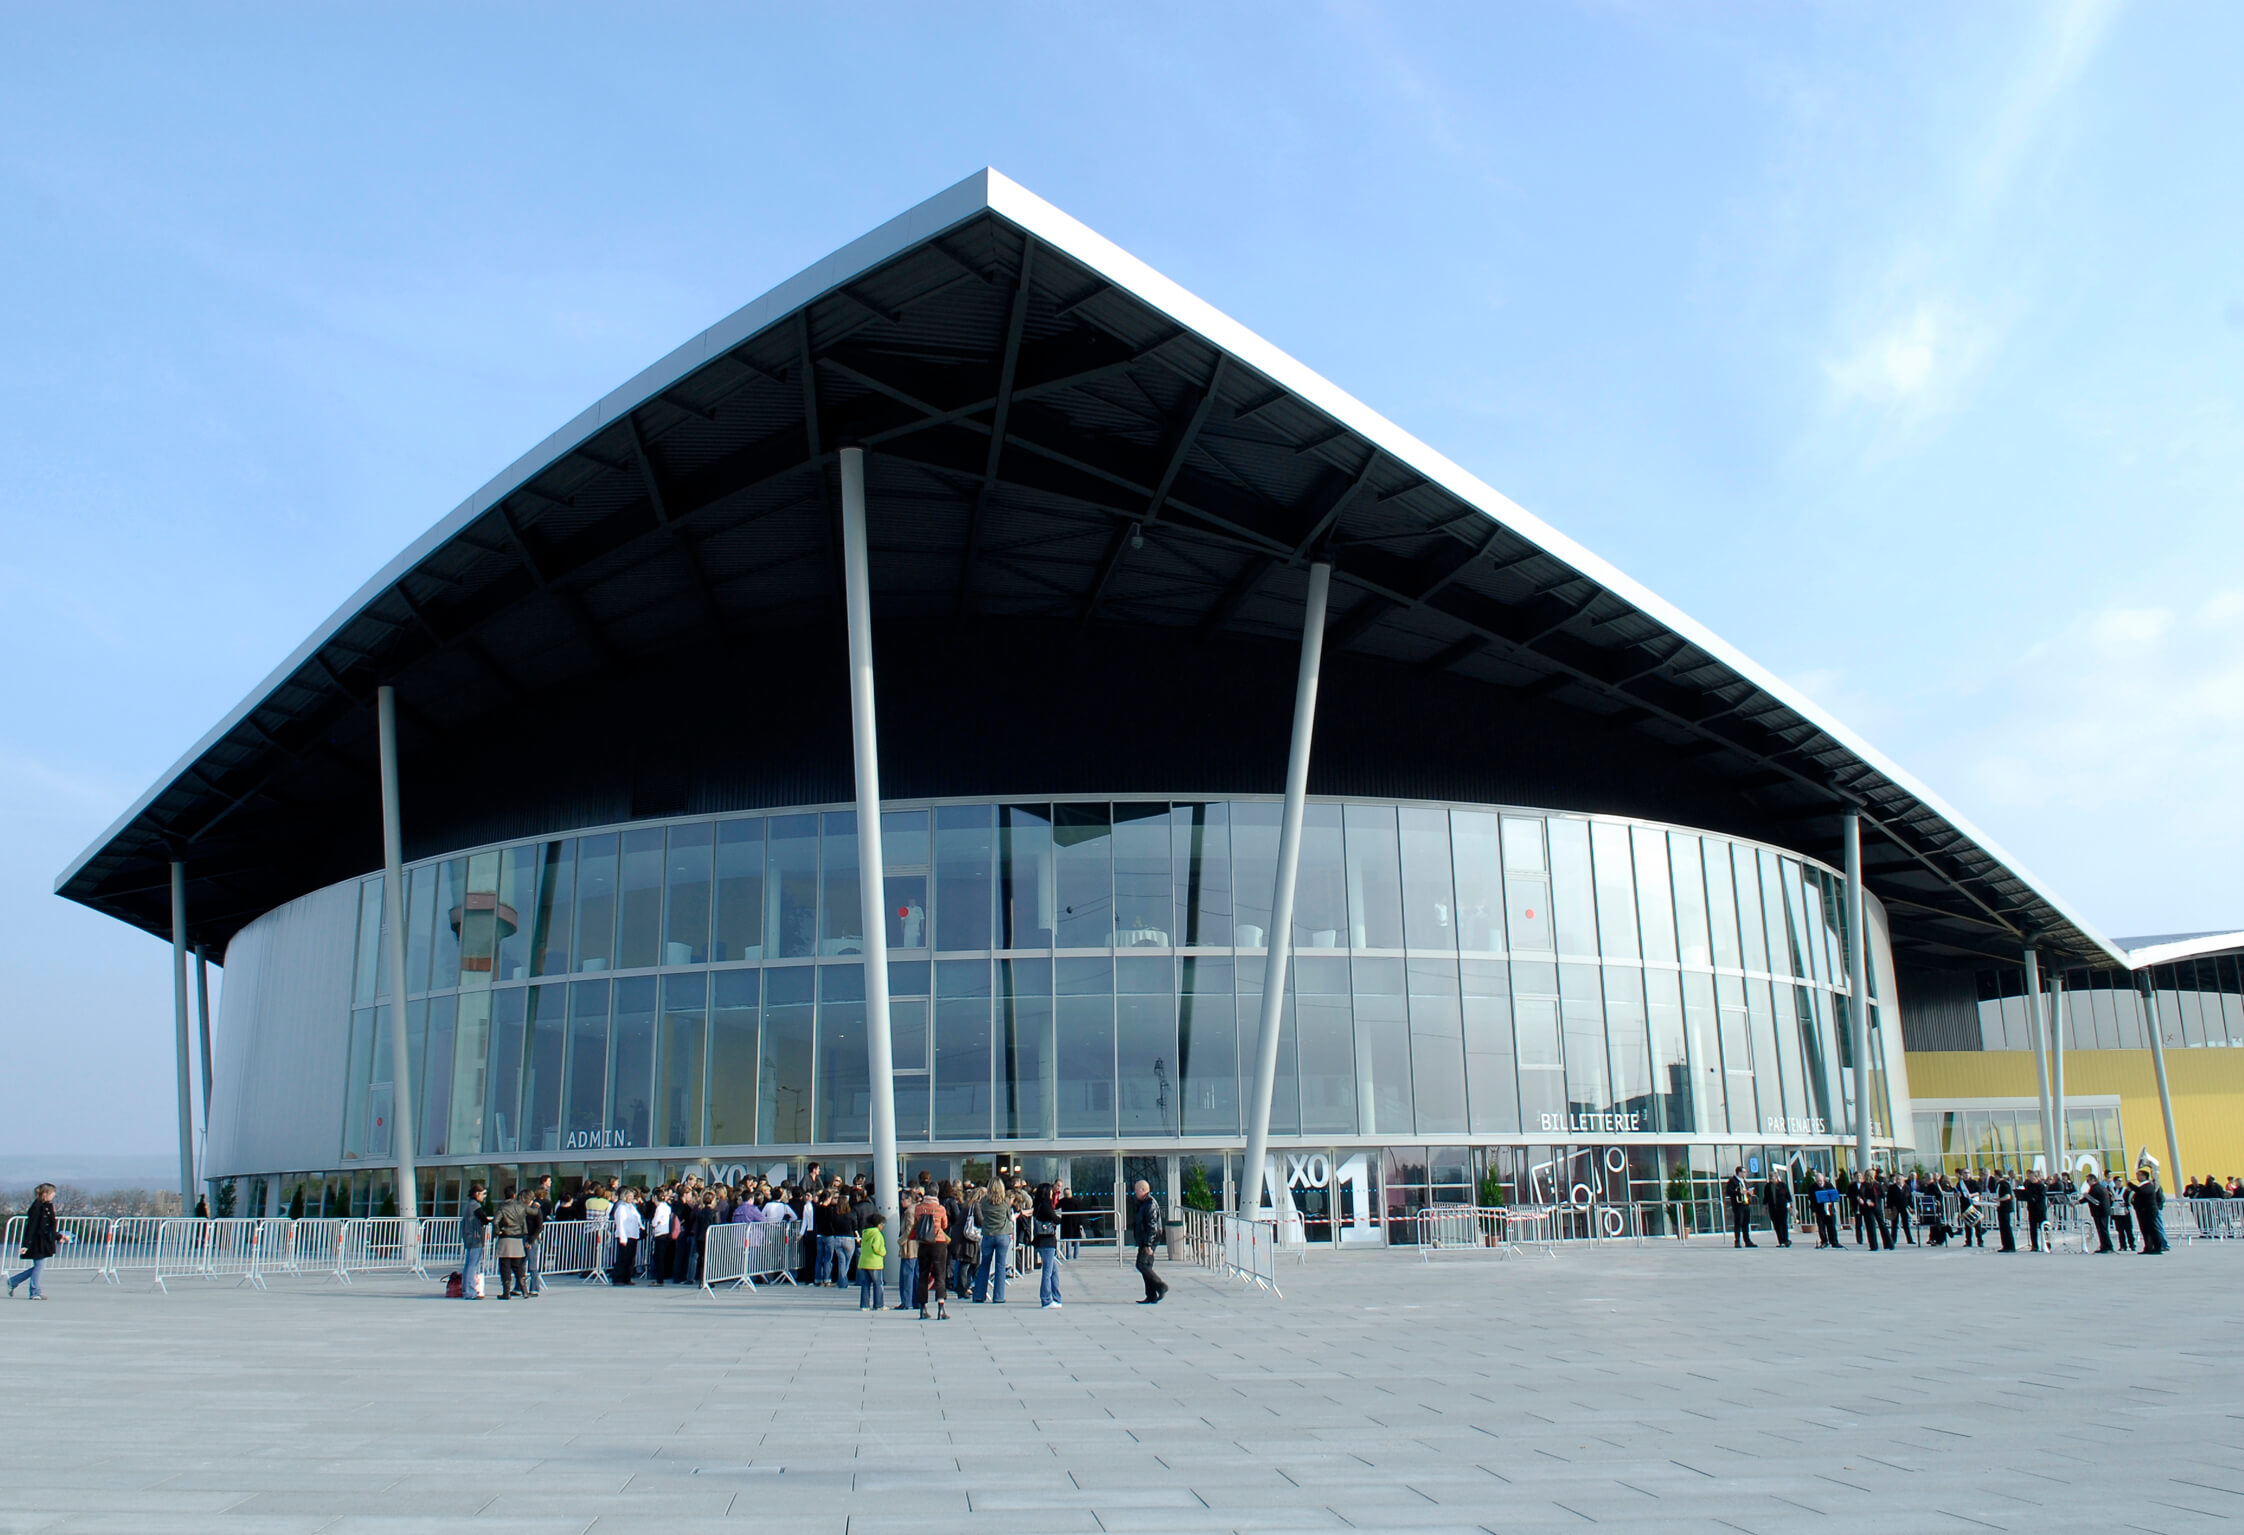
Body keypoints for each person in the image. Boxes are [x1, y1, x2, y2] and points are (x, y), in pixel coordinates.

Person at [8, 1183, 67, 1300]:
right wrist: (26, 1244)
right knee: (39, 1266)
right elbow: (31, 1226)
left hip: (45, 1241)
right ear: (45, 1194)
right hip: (37, 1241)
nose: (54, 1195)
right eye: (52, 1193)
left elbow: (50, 1227)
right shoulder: (36, 1207)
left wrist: (59, 1236)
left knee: (38, 1267)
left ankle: (14, 1281)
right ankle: (34, 1292)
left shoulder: (48, 1206)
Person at [911, 1185, 950, 1320]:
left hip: (923, 1244)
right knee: (940, 1275)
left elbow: (916, 1222)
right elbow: (945, 1225)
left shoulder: (919, 1208)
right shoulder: (940, 1209)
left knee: (923, 1275)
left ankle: (923, 1308)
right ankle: (941, 1308)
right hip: (938, 1243)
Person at [974, 1178, 1016, 1302]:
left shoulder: (984, 1202)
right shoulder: (1005, 1202)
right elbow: (1009, 1217)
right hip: (1003, 1235)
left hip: (988, 1234)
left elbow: (981, 1216)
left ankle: (979, 1295)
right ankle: (998, 1296)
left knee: (984, 1265)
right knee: (1000, 1266)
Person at [1130, 1179, 1169, 1304]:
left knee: (1141, 1264)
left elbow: (1152, 1226)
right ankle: (1151, 1295)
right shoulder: (1143, 1203)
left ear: (1143, 1190)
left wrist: (1148, 1244)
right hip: (1144, 1240)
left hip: (1149, 1240)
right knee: (1146, 1266)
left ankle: (1160, 1285)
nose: (1134, 1192)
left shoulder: (1150, 1204)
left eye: (1136, 1189)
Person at [493, 1186, 530, 1299]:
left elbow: (495, 1221)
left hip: (506, 1238)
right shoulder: (520, 1207)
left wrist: (498, 1231)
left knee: (505, 1267)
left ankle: (506, 1293)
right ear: (514, 1195)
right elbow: (523, 1222)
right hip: (518, 1239)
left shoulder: (503, 1207)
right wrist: (524, 1233)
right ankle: (525, 1291)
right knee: (518, 1267)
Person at [1034, 1182, 1064, 1308]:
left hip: (1042, 1241)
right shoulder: (1046, 1205)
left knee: (1054, 1270)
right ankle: (1046, 1299)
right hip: (1047, 1241)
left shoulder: (1038, 1205)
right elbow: (1056, 1219)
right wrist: (1058, 1219)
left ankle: (1056, 1297)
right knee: (1048, 1271)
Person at [459, 1182, 491, 1300]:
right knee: (472, 1265)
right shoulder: (475, 1205)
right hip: (475, 1238)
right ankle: (470, 1291)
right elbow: (483, 1219)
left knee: (469, 1265)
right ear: (477, 1194)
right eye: (483, 1194)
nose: (484, 1197)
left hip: (469, 1237)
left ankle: (465, 1289)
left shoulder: (468, 1204)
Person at [523, 1176, 552, 1296]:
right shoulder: (527, 1209)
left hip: (531, 1238)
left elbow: (538, 1226)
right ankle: (521, 1286)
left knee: (532, 1265)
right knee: (522, 1264)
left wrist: (531, 1239)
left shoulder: (536, 1210)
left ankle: (534, 1288)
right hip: (527, 1237)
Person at [611, 1188, 644, 1284]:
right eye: (629, 1196)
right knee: (622, 1258)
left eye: (631, 1196)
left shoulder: (632, 1207)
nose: (630, 1198)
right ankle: (618, 1278)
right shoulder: (621, 1208)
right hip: (625, 1235)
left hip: (633, 1235)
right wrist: (622, 1237)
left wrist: (642, 1228)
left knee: (630, 1258)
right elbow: (620, 1223)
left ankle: (627, 1278)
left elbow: (638, 1218)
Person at [857, 1212, 887, 1312]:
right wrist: (884, 1252)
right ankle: (879, 1304)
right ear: (878, 1224)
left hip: (864, 1262)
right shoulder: (877, 1234)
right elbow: (878, 1248)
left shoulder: (865, 1233)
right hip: (874, 1263)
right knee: (878, 1284)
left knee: (865, 1285)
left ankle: (864, 1305)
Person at [1723, 1167, 1756, 1249]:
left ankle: (1747, 1241)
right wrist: (1739, 1192)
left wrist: (1749, 1193)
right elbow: (1729, 1192)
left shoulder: (1744, 1181)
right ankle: (1737, 1241)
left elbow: (1745, 1191)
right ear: (1739, 1172)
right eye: (1744, 1172)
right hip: (1738, 1205)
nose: (1745, 1173)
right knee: (1738, 1223)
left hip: (1745, 1203)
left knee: (1746, 1223)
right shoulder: (1732, 1181)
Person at [2083, 1171, 2115, 1253]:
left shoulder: (2096, 1188)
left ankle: (2108, 1247)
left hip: (2101, 1212)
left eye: (2088, 1181)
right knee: (2101, 1230)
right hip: (2100, 1211)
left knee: (2103, 1230)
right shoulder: (2098, 1187)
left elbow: (2089, 1198)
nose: (2088, 1183)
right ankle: (2104, 1246)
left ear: (2093, 1180)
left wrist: (2079, 1201)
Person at [1761, 1170, 1792, 1248]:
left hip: (1782, 1208)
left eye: (1772, 1177)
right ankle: (1781, 1241)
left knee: (1783, 1224)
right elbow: (1766, 1198)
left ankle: (1786, 1240)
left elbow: (1788, 1196)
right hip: (1773, 1208)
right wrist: (1764, 1208)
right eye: (1770, 1177)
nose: (1771, 1179)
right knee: (1776, 1225)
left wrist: (1791, 1207)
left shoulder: (1782, 1185)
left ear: (1776, 1177)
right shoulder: (1767, 1186)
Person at [1811, 1174, 1842, 1249]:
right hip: (1819, 1209)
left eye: (1821, 1181)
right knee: (1821, 1227)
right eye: (1818, 1181)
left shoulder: (1829, 1185)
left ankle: (1834, 1241)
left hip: (1829, 1209)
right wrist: (1813, 1211)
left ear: (1824, 1179)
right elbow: (1812, 1200)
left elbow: (1835, 1196)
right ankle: (1824, 1241)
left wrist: (1832, 1200)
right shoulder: (1812, 1187)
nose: (1819, 1182)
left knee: (1831, 1226)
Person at [2024, 1171, 2050, 1253]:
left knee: (2044, 1227)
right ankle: (2034, 1245)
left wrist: (2034, 1197)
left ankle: (2047, 1244)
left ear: (2036, 1177)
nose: (2030, 1179)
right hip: (2031, 1208)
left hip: (2040, 1209)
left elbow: (2042, 1196)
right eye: (2029, 1177)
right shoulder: (2029, 1185)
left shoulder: (2041, 1186)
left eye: (2031, 1177)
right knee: (2032, 1228)